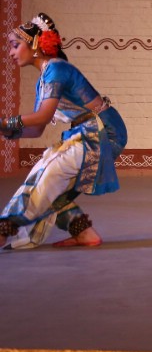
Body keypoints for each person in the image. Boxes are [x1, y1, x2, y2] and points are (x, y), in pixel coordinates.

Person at [1, 13, 127, 249]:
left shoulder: (56, 69)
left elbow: (43, 116)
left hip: (102, 133)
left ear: (35, 45)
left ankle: (4, 229)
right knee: (47, 180)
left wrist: (7, 123)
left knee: (46, 178)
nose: (11, 53)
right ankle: (84, 233)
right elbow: (37, 128)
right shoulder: (44, 77)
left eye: (15, 46)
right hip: (86, 132)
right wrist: (10, 132)